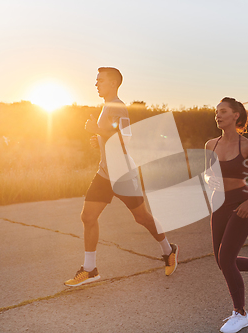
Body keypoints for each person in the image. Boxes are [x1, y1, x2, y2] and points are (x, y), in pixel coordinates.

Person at [64, 67, 178, 287]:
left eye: (101, 80)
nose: (96, 84)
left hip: (123, 174)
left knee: (142, 217)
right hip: (105, 173)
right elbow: (111, 136)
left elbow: (125, 138)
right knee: (88, 217)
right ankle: (90, 270)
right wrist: (98, 138)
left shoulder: (119, 106)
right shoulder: (106, 106)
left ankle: (168, 250)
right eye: (96, 80)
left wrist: (96, 130)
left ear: (114, 83)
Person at [205, 97, 248, 333]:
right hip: (218, 204)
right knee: (221, 261)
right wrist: (209, 179)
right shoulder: (210, 145)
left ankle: (240, 313)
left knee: (226, 259)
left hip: (240, 204)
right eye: (216, 112)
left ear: (236, 116)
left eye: (223, 111)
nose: (218, 115)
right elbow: (209, 174)